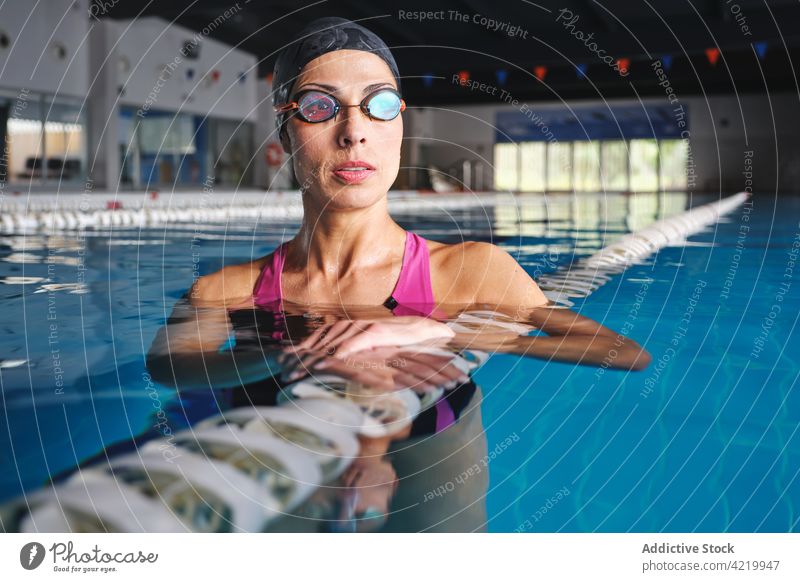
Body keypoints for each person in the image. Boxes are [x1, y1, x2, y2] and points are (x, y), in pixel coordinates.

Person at [148, 16, 651, 532]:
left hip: (432, 456)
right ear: (284, 132)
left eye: (380, 104)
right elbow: (169, 367)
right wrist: (289, 354)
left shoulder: (469, 271)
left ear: (400, 125)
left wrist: (442, 330)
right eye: (320, 107)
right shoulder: (226, 289)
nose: (354, 132)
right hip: (273, 460)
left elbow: (625, 353)